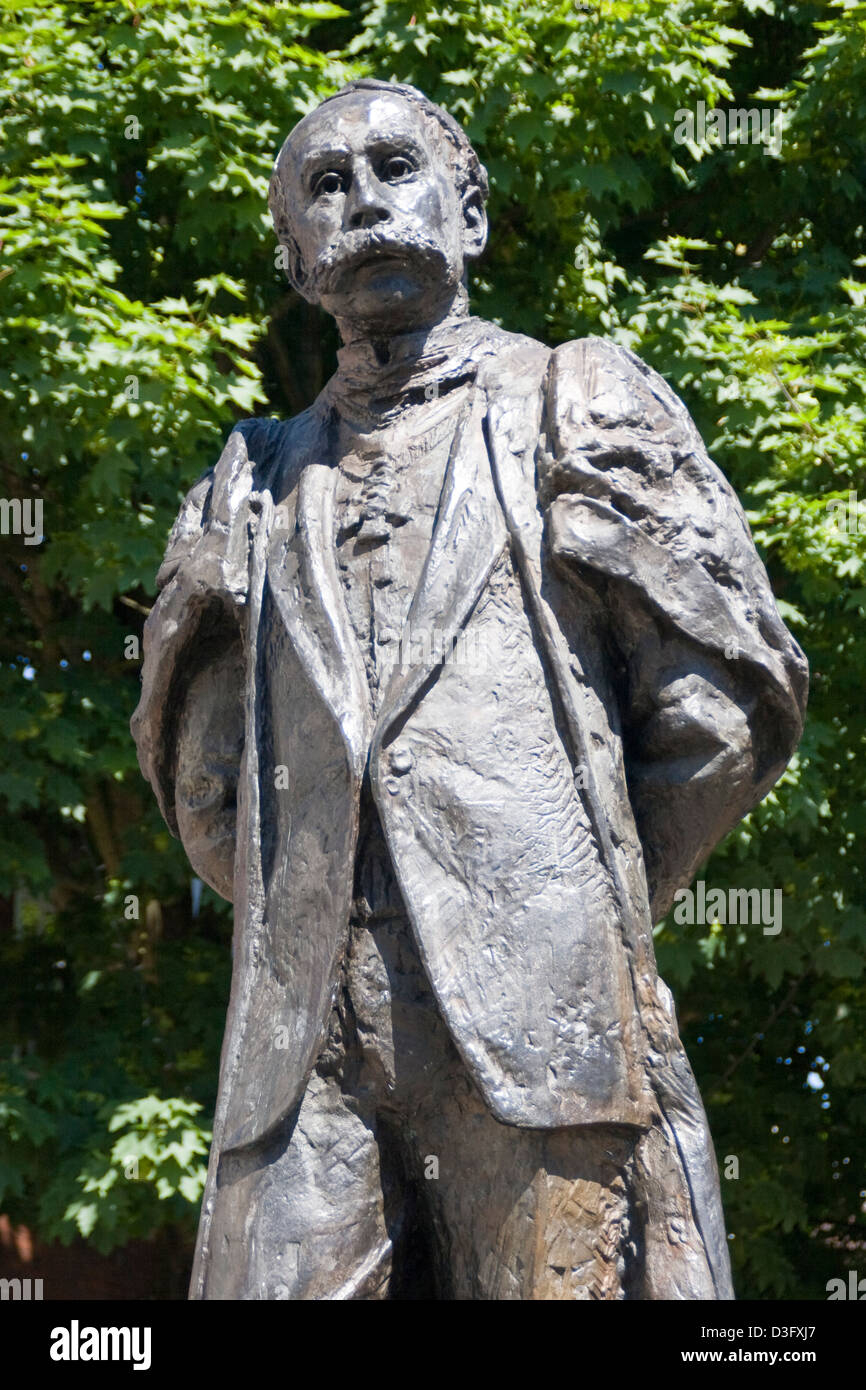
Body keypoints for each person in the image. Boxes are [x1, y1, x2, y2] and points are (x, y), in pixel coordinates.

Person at [132, 79, 807, 1299]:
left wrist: (556, 898)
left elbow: (712, 718)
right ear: (296, 262)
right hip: (301, 1053)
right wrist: (319, 905)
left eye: (397, 169)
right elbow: (206, 780)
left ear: (473, 213)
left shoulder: (576, 399)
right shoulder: (250, 477)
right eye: (325, 190)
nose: (366, 202)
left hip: (542, 1022)